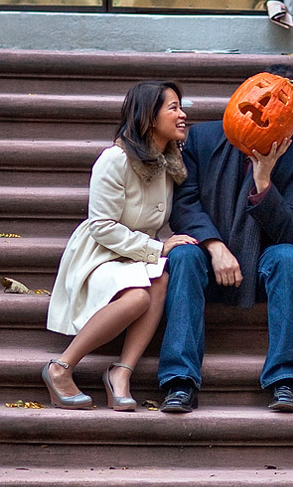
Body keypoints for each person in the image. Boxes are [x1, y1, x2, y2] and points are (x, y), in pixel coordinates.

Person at [157, 65, 293, 414]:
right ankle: (179, 381)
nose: (270, 109)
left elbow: (290, 231)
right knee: (183, 256)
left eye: (285, 103)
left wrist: (263, 180)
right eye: (263, 98)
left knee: (290, 257)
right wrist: (214, 247)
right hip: (208, 257)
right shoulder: (202, 139)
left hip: (262, 265)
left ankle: (285, 380)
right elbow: (183, 205)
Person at [44, 80, 198, 411]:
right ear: (149, 117)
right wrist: (158, 249)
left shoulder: (168, 162)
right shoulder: (114, 159)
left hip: (133, 256)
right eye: (173, 108)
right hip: (100, 255)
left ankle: (120, 373)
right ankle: (60, 367)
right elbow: (102, 227)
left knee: (161, 281)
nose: (183, 115)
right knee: (138, 297)